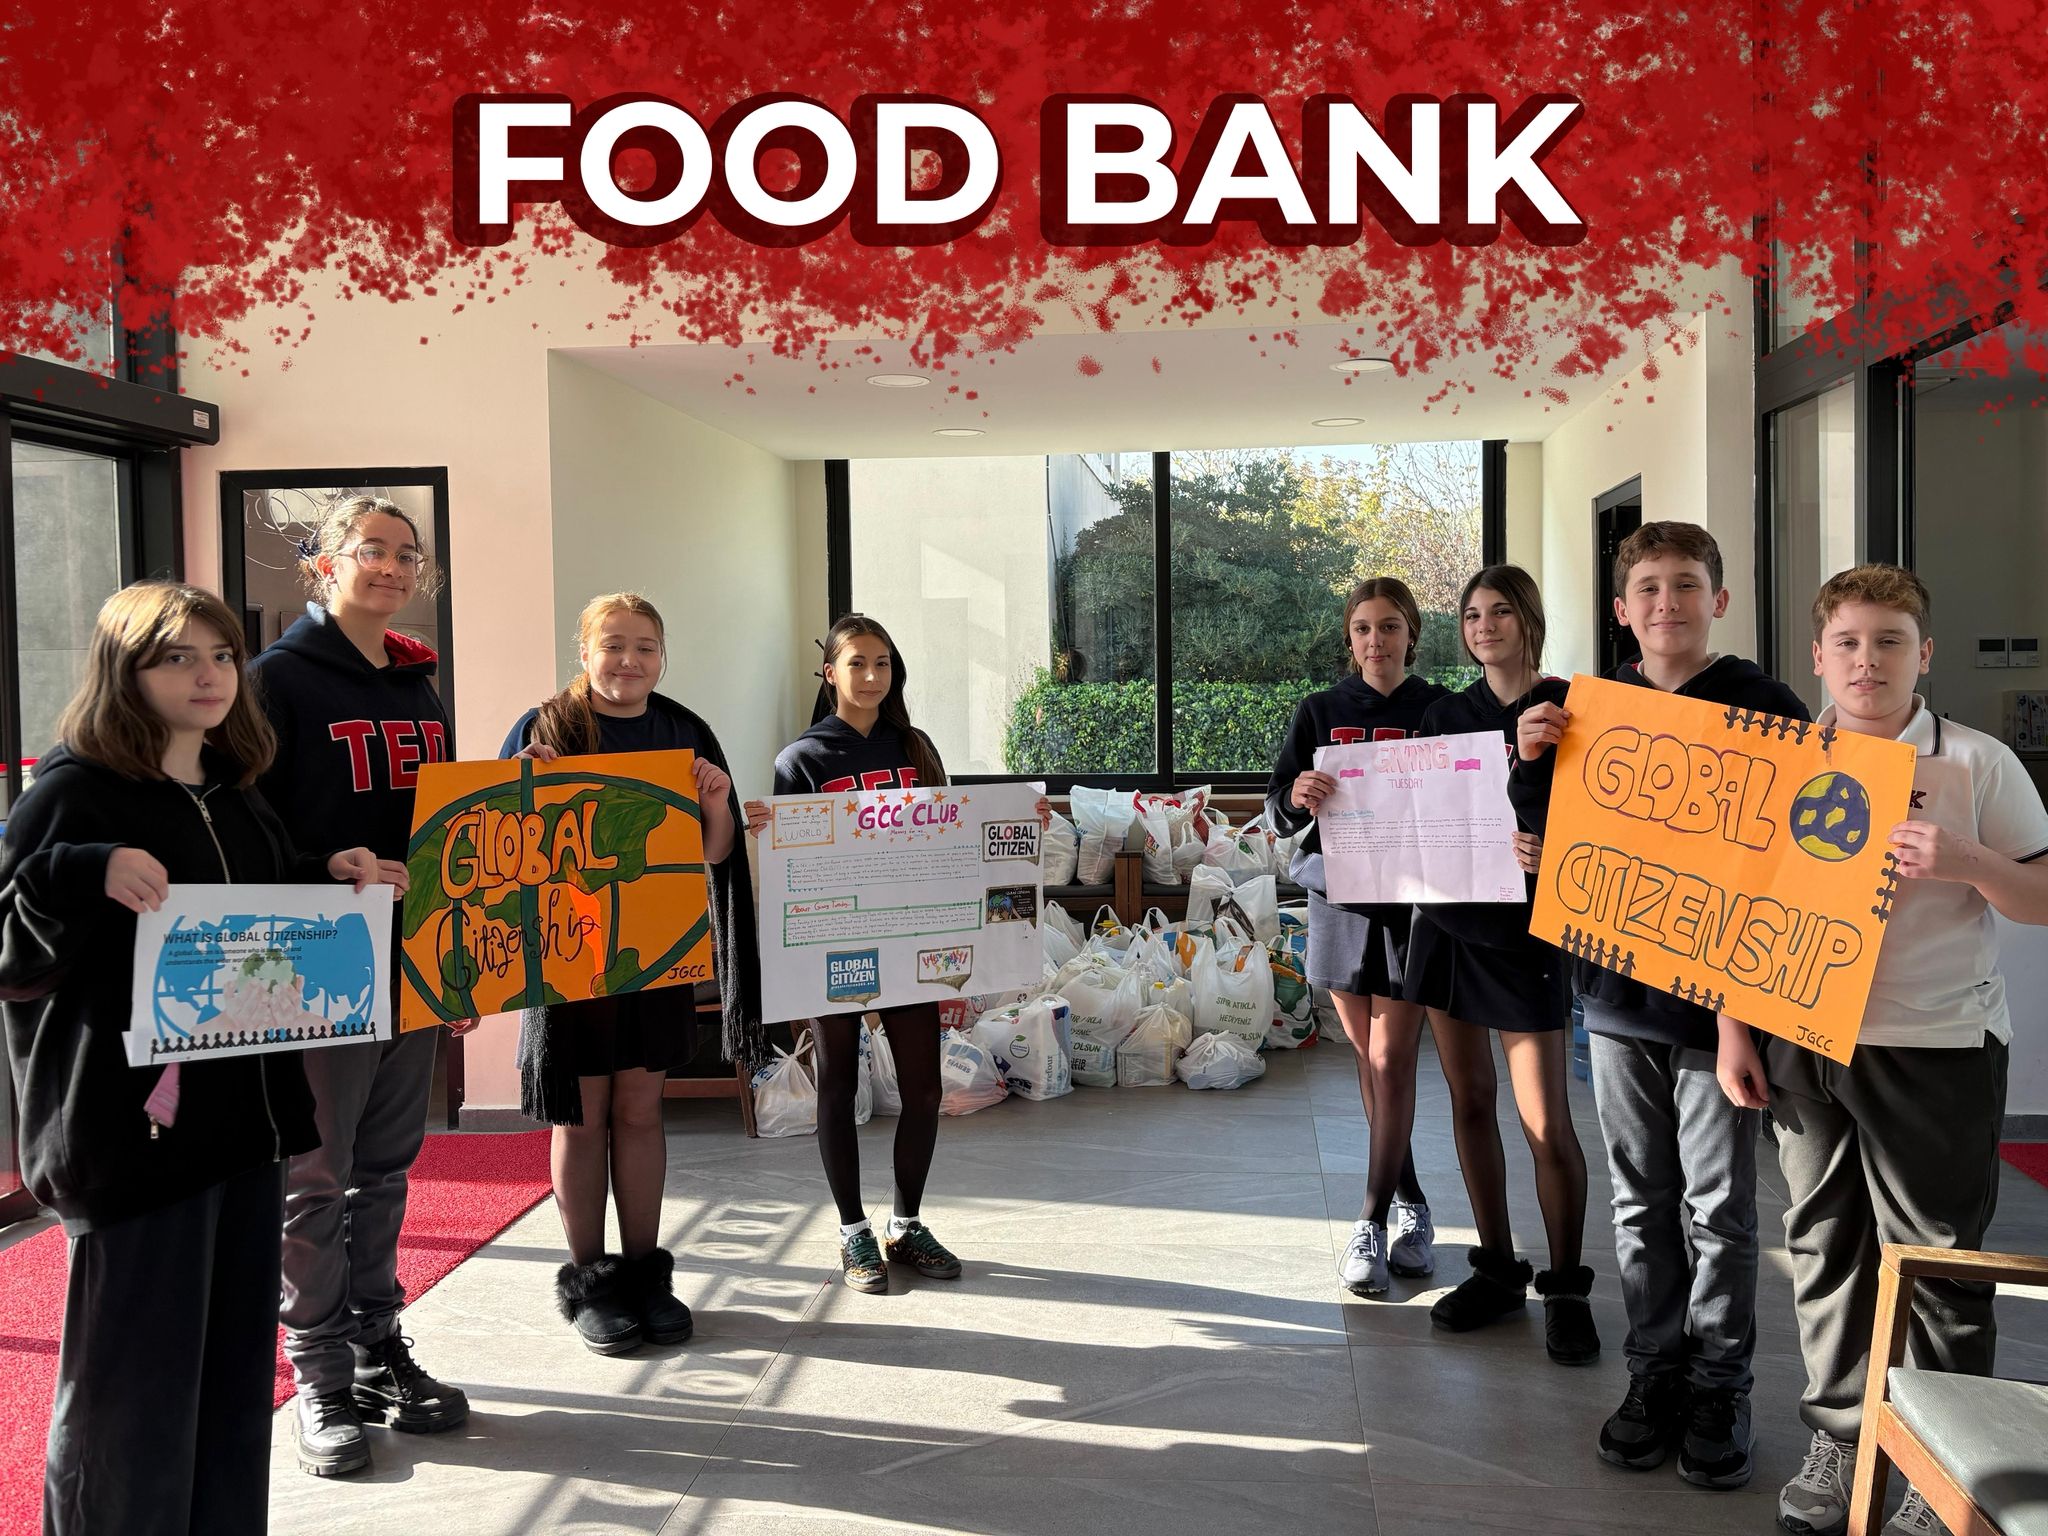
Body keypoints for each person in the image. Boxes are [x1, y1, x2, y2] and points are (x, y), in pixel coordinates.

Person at [0, 581, 397, 1535]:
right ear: (125, 671)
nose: (208, 675)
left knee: (227, 1398)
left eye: (220, 656)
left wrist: (327, 874)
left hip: (245, 1135)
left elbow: (244, 908)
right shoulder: (74, 790)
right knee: (128, 1404)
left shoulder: (235, 790)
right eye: (177, 657)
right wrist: (81, 869)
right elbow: (9, 952)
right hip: (132, 1145)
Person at [1716, 565, 2048, 1536]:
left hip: (1932, 1042)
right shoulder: (1777, 761)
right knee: (1823, 1248)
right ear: (1817, 657)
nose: (1868, 661)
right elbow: (1736, 900)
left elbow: (2040, 897)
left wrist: (1967, 861)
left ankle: (1942, 1469)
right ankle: (1840, 1439)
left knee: (1939, 1264)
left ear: (1923, 655)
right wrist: (1734, 1026)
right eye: (1849, 643)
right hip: (1800, 1034)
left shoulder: (1978, 763)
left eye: (1890, 642)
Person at [1512, 522, 1805, 1488]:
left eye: (1685, 584)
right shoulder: (1586, 707)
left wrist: (1745, 1010)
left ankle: (1721, 1388)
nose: (1666, 602)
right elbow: (1546, 837)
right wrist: (1530, 759)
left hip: (1722, 1011)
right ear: (1621, 609)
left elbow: (1789, 861)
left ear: (1718, 599)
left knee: (1720, 1210)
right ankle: (1654, 1376)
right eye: (1648, 587)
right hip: (1616, 996)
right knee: (1639, 1203)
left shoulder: (1767, 706)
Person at [251, 496, 474, 1477]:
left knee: (385, 1167)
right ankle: (320, 1376)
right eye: (370, 550)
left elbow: (444, 835)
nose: (389, 567)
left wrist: (458, 958)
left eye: (405, 555)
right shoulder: (274, 681)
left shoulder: (417, 686)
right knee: (315, 1175)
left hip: (410, 958)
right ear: (325, 563)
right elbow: (245, 827)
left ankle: (379, 1346)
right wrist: (321, 869)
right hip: (316, 956)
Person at [744, 614, 1046, 1293]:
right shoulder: (801, 760)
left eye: (882, 663)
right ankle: (853, 1230)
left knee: (924, 1088)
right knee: (838, 1085)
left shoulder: (913, 746)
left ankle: (905, 1223)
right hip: (834, 943)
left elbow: (955, 832)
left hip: (911, 942)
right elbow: (790, 856)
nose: (872, 676)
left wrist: (1023, 822)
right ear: (830, 673)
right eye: (857, 663)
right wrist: (765, 828)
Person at [500, 592, 763, 1354]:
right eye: (613, 645)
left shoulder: (684, 731)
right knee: (581, 1117)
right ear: (583, 651)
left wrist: (716, 803)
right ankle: (591, 1283)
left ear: (662, 655)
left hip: (653, 953)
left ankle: (647, 1276)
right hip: (568, 955)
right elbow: (499, 844)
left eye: (645, 646)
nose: (629, 660)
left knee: (642, 1112)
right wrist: (518, 785)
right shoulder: (543, 727)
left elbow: (715, 853)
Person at [1407, 565, 1597, 1365]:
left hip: (1526, 937)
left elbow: (1602, 821)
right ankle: (1496, 1269)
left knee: (1546, 1123)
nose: (1484, 626)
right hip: (1447, 929)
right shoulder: (1444, 715)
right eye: (1472, 614)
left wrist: (1557, 851)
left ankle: (1567, 1288)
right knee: (1470, 1101)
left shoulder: (1571, 707)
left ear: (1529, 620)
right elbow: (1423, 816)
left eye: (1500, 612)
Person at [1263, 576, 1448, 1297]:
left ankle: (1370, 1218)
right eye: (1364, 628)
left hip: (1412, 907)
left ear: (1411, 634)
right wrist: (1297, 794)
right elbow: (1279, 806)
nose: (1377, 640)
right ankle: (1413, 1205)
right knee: (1370, 1064)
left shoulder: (1439, 709)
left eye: (1390, 626)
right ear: (1350, 637)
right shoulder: (1321, 710)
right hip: (1339, 898)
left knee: (1390, 1058)